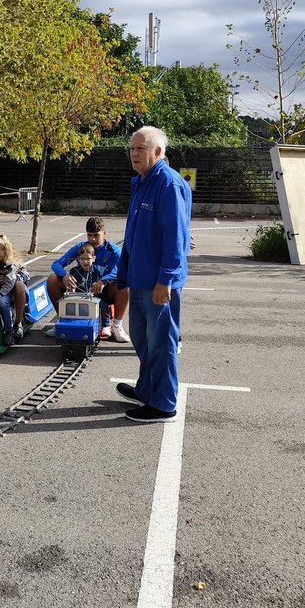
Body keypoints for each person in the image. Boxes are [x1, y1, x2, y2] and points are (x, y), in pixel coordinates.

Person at [115, 126, 192, 424]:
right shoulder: (143, 182)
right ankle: (148, 389)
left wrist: (166, 279)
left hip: (158, 282)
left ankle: (162, 404)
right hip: (140, 278)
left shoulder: (168, 184)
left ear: (158, 152)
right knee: (143, 340)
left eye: (141, 149)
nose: (134, 154)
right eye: (132, 148)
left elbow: (175, 235)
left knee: (161, 343)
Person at [43, 216, 129, 342]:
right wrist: (64, 275)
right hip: (82, 288)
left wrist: (104, 280)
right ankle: (63, 319)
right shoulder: (81, 247)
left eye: (96, 235)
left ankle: (116, 326)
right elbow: (56, 264)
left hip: (104, 290)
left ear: (104, 234)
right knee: (52, 279)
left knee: (124, 284)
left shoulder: (112, 249)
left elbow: (123, 268)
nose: (92, 239)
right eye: (89, 235)